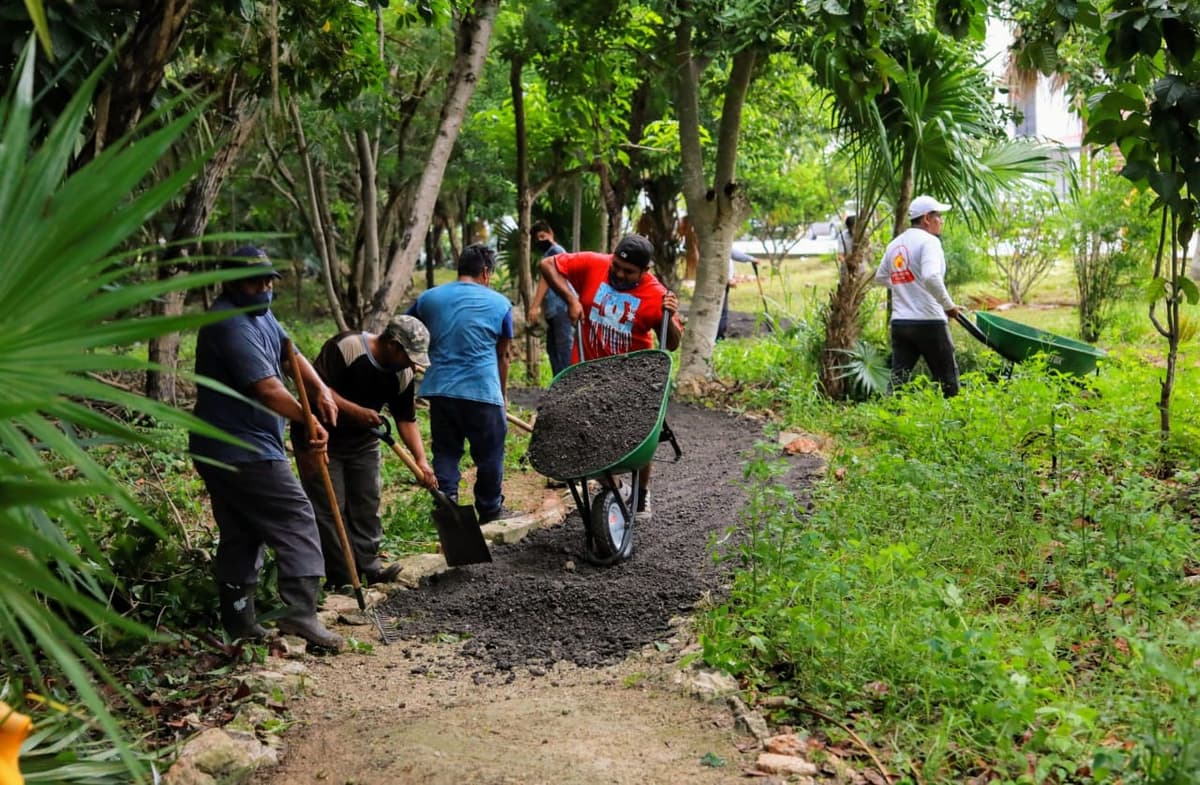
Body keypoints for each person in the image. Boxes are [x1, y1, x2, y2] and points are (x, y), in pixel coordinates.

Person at [190, 246, 344, 650]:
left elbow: (288, 350)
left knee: (242, 531)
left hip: (225, 448)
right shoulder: (229, 325)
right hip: (241, 449)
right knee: (296, 517)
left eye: (269, 280)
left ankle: (240, 623)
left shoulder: (260, 314)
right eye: (255, 281)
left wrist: (320, 389)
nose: (265, 288)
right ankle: (300, 616)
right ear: (231, 281)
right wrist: (305, 418)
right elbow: (266, 389)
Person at [538, 234, 683, 519]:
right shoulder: (594, 264)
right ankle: (614, 486)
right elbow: (548, 264)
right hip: (590, 372)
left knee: (641, 437)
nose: (618, 273)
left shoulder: (656, 294)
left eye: (628, 272)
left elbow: (672, 344)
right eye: (616, 265)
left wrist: (669, 317)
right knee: (587, 436)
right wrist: (571, 298)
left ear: (645, 271)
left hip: (633, 374)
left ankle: (641, 493)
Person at [295, 316, 436, 588]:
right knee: (330, 508)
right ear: (394, 346)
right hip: (319, 438)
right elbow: (315, 388)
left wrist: (420, 459)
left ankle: (370, 568)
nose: (412, 363)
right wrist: (354, 411)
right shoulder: (348, 348)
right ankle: (342, 578)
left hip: (363, 442)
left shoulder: (403, 373)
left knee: (366, 505)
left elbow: (406, 419)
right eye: (409, 355)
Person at [408, 244, 514, 523]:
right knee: (490, 453)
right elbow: (503, 356)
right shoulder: (501, 304)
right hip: (483, 391)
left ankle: (449, 507)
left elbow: (406, 330)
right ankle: (490, 511)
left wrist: (415, 361)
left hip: (441, 391)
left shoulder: (429, 298)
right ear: (486, 273)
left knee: (445, 451)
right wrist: (501, 398)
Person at [873, 195, 963, 397]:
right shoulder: (930, 242)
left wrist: (905, 286)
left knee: (898, 380)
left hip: (901, 323)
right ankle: (958, 423)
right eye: (938, 216)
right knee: (948, 379)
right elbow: (931, 276)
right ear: (926, 219)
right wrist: (948, 306)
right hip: (929, 322)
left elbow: (880, 278)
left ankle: (889, 418)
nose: (941, 221)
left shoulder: (895, 244)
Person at [525, 220, 572, 377]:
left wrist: (535, 306)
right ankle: (558, 386)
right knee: (553, 349)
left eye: (542, 236)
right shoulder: (547, 254)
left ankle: (568, 386)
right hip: (554, 310)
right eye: (537, 239)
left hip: (562, 308)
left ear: (551, 234)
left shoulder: (556, 250)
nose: (540, 241)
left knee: (563, 348)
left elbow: (546, 278)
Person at [717, 248, 757, 340]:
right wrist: (726, 280)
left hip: (723, 283)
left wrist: (750, 259)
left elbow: (732, 252)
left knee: (721, 311)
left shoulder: (723, 243)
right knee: (721, 312)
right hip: (718, 284)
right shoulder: (716, 244)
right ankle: (718, 337)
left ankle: (719, 336)